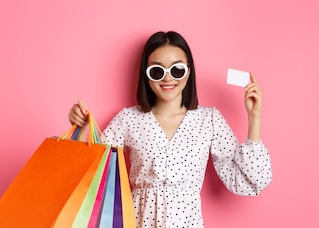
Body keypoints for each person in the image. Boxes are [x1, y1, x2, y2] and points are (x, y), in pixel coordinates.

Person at [69, 31, 272, 227]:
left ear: (189, 71)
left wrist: (255, 117)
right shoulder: (128, 119)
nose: (168, 79)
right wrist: (84, 130)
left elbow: (249, 181)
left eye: (177, 70)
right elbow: (94, 175)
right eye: (157, 71)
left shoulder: (209, 119)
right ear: (146, 76)